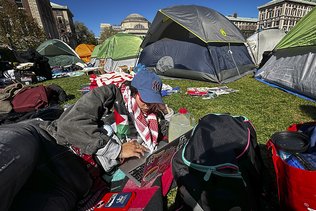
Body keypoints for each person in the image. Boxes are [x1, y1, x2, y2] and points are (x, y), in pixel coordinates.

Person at [0, 67, 167, 210]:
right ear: (134, 91)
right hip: (47, 140)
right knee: (7, 162)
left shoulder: (151, 121)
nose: (148, 105)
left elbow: (165, 133)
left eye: (153, 101)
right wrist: (117, 150)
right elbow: (70, 124)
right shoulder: (109, 94)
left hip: (74, 178)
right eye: (145, 99)